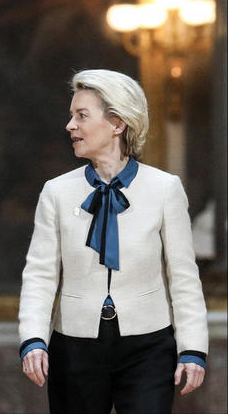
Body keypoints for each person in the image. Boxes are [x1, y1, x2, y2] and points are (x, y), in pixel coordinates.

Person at [18, 69, 208, 413]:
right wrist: (33, 339)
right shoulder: (56, 191)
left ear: (117, 123)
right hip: (74, 346)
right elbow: (40, 274)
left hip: (148, 346)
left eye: (81, 116)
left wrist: (193, 347)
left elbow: (183, 275)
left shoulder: (164, 188)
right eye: (71, 116)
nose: (70, 126)